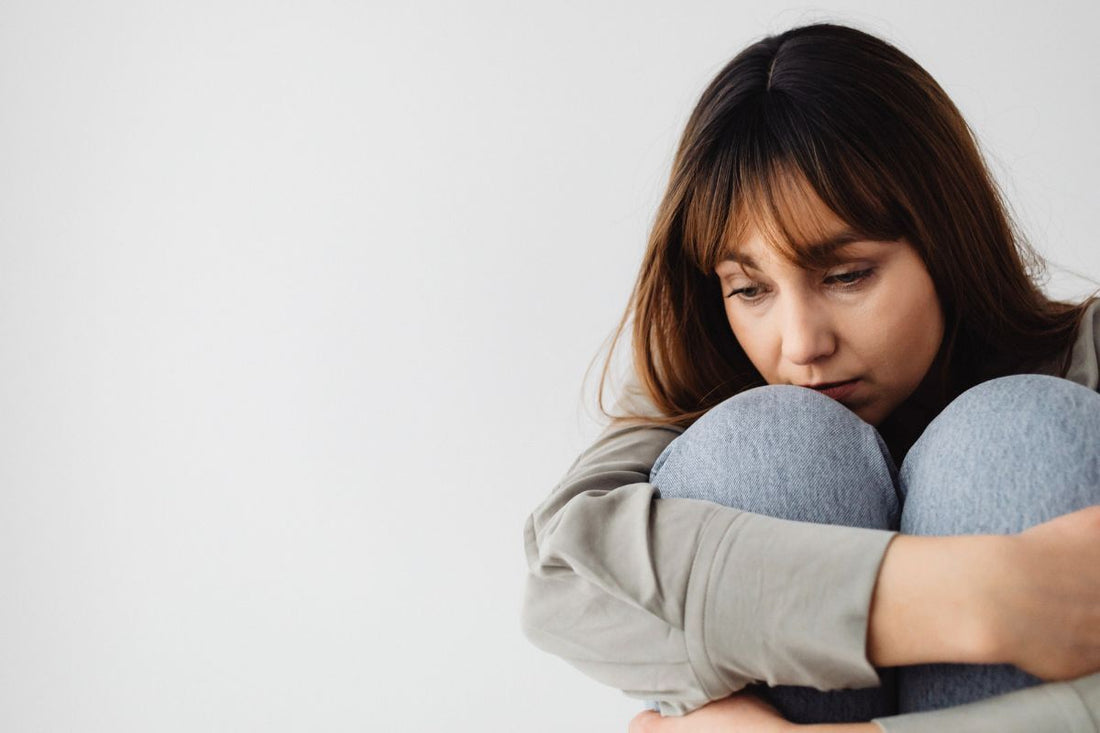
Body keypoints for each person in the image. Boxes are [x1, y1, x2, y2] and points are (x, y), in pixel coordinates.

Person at [520, 22, 1100, 733]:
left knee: (1019, 431)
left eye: (847, 275)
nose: (800, 345)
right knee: (768, 443)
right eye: (749, 289)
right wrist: (984, 594)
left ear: (948, 239)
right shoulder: (702, 382)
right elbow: (564, 582)